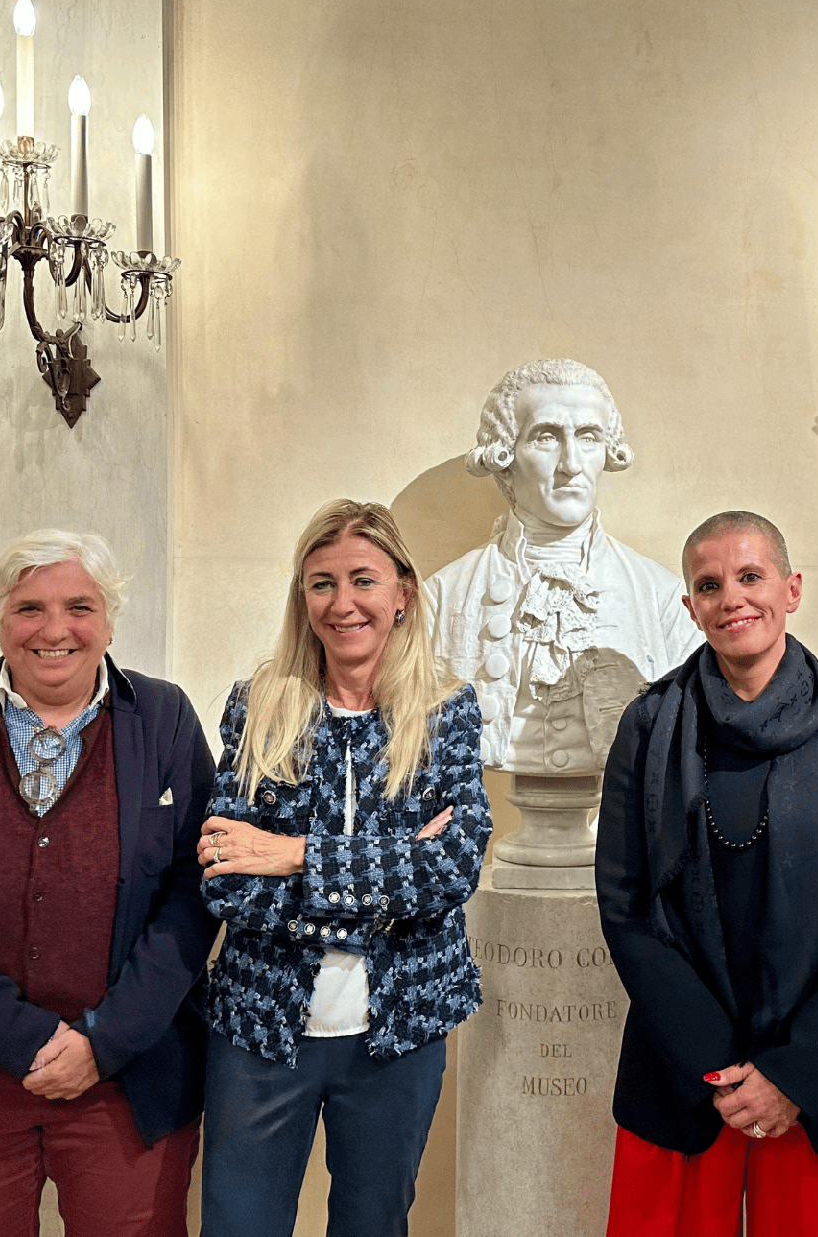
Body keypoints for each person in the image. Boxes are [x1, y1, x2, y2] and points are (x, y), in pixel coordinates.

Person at [0, 530, 217, 1237]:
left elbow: (194, 889)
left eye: (79, 605)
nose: (55, 629)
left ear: (111, 620)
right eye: (30, 607)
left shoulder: (165, 718)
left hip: (127, 1076)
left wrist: (102, 1042)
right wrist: (23, 1037)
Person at [595, 511, 818, 1237]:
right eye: (710, 584)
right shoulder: (648, 727)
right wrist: (720, 1067)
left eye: (750, 576)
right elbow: (625, 903)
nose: (731, 597)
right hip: (684, 1073)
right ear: (690, 606)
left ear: (791, 587)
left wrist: (793, 1073)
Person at [197, 499, 489, 1237]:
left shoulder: (449, 711)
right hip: (261, 1027)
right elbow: (226, 877)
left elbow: (452, 870)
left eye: (364, 578)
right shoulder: (257, 705)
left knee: (373, 1223)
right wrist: (389, 875)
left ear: (402, 593)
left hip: (400, 1027)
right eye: (321, 582)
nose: (343, 602)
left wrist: (291, 852)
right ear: (303, 597)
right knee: (241, 1223)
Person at [428, 357, 701, 774]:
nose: (571, 463)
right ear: (506, 453)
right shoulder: (443, 597)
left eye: (589, 437)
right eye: (546, 438)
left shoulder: (661, 598)